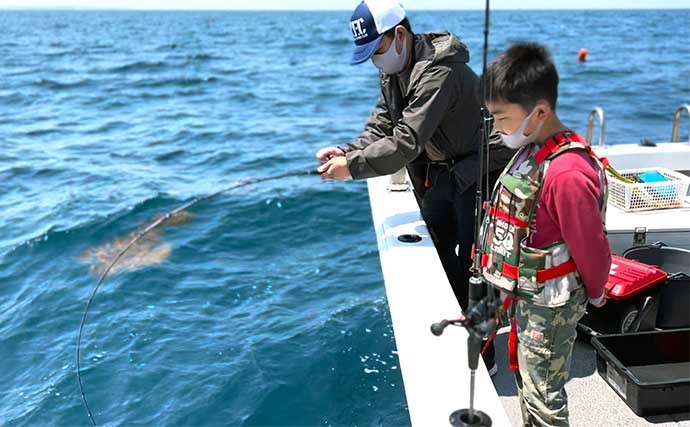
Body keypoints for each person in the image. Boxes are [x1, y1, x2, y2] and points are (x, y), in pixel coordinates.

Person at [316, 0, 513, 335]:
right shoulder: (392, 70)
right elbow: (382, 125)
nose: (375, 60)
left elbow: (407, 140)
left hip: (479, 164)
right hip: (444, 167)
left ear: (400, 35)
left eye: (377, 50)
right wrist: (347, 151)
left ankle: (484, 341)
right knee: (436, 243)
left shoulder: (439, 71)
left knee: (474, 259)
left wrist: (350, 167)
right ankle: (459, 315)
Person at [478, 43, 611, 426]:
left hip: (551, 306)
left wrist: (598, 291)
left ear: (539, 113)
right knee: (526, 373)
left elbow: (591, 246)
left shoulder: (569, 173)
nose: (498, 128)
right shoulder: (532, 148)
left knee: (544, 392)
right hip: (528, 294)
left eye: (502, 119)